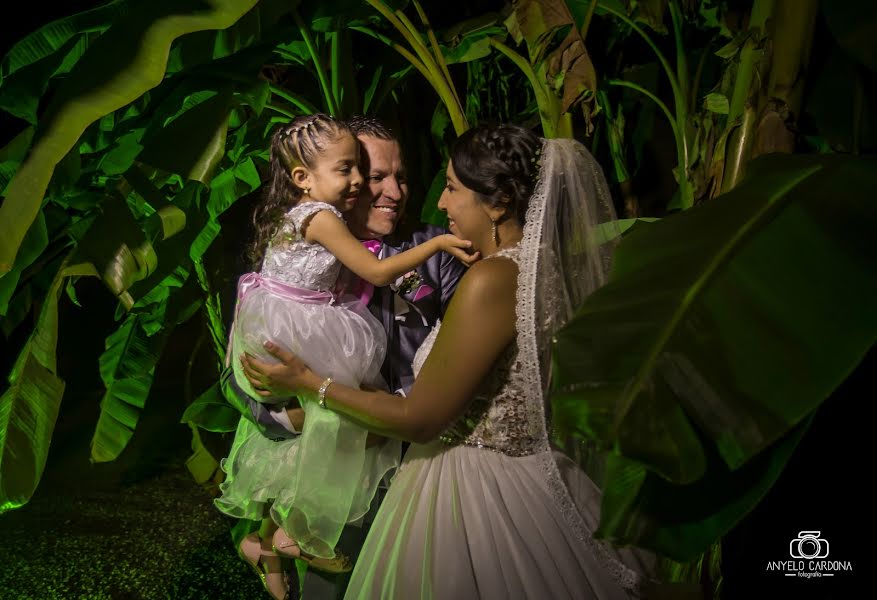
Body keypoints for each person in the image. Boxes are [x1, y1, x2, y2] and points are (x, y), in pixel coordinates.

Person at [241, 124, 666, 599]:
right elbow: (253, 360)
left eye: (446, 187)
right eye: (368, 173)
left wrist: (313, 386)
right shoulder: (295, 255)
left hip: (460, 486)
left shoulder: (463, 263)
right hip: (341, 485)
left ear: (499, 201)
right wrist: (286, 405)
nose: (402, 193)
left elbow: (435, 400)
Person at [214, 113, 475, 600]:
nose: (392, 192)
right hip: (328, 469)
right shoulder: (301, 246)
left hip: (415, 455)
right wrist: (287, 410)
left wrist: (392, 411)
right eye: (375, 176)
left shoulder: (436, 252)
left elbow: (465, 350)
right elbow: (239, 371)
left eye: (401, 177)